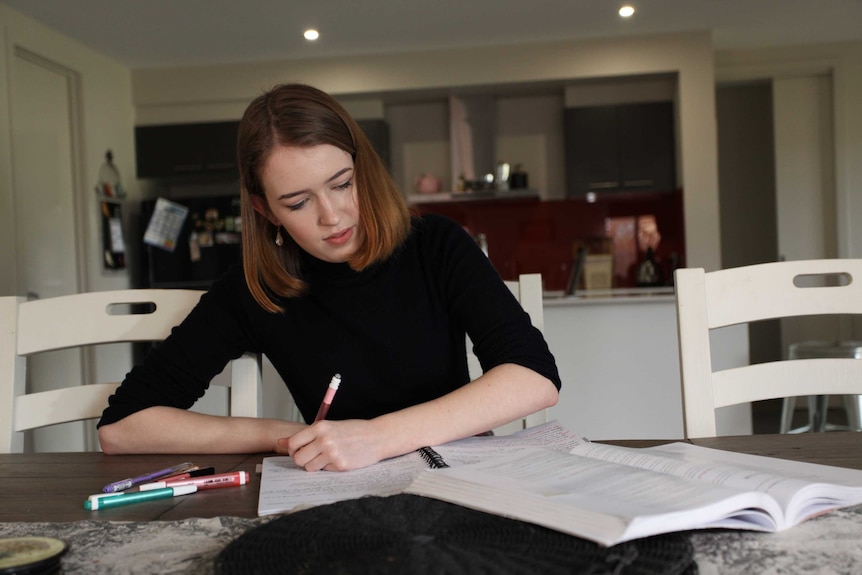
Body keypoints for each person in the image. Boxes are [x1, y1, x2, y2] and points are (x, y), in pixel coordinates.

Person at [97, 83, 561, 471]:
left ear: (363, 169)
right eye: (298, 203)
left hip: (457, 474)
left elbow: (534, 378)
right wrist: (288, 437)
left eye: (341, 184)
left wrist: (377, 438)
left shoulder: (435, 244)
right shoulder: (256, 287)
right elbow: (123, 427)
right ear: (265, 210)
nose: (332, 217)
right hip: (339, 491)